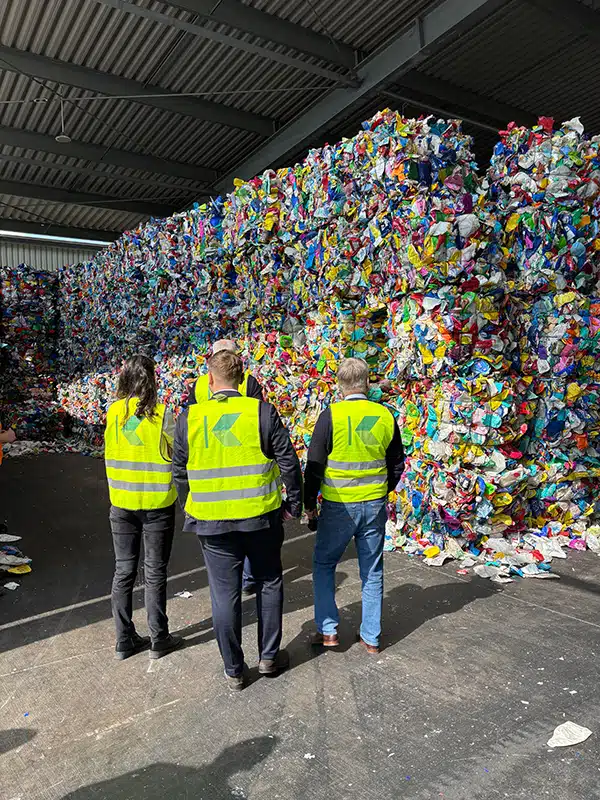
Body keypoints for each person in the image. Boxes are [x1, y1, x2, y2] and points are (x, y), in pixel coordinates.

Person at [172, 350, 302, 691]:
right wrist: (295, 505)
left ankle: (234, 669)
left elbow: (179, 470)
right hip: (261, 518)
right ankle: (269, 657)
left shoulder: (189, 418)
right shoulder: (261, 412)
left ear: (209, 380)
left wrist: (191, 504)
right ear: (243, 379)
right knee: (269, 581)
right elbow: (289, 462)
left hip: (212, 523)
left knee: (224, 594)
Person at [304, 358, 404, 654]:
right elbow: (397, 463)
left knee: (324, 565)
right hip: (374, 505)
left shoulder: (331, 415)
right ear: (367, 383)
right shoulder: (385, 415)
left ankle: (329, 631)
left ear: (339, 385)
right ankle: (371, 637)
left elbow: (314, 466)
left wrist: (310, 504)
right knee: (372, 570)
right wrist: (382, 491)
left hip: (338, 506)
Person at [105, 355, 183, 661]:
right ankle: (158, 638)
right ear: (151, 380)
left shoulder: (113, 412)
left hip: (121, 502)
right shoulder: (161, 413)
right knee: (154, 572)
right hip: (156, 504)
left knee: (123, 570)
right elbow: (178, 449)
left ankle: (123, 640)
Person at [187, 338, 264, 596]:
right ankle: (249, 578)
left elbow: (188, 427)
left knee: (221, 538)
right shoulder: (249, 382)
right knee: (250, 526)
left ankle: (232, 579)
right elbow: (259, 418)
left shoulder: (198, 386)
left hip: (211, 469)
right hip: (244, 465)